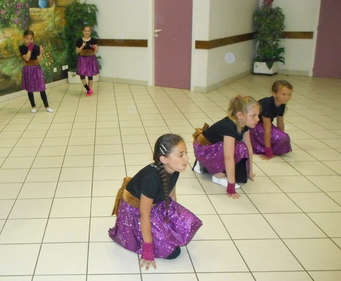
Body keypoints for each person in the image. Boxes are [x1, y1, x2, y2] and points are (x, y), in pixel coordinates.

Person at [109, 134, 203, 270]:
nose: (187, 159)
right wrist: (147, 248)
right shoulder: (151, 179)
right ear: (164, 159)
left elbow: (171, 194)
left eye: (186, 153)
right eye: (181, 155)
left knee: (187, 225)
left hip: (155, 204)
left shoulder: (174, 169)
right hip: (135, 212)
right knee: (173, 252)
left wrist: (172, 218)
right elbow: (143, 215)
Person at [192, 95, 260, 199]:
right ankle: (217, 175)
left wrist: (250, 172)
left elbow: (249, 148)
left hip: (213, 147)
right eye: (253, 115)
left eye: (257, 115)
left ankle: (206, 165)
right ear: (240, 115)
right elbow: (228, 157)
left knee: (242, 147)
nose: (257, 119)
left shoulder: (244, 124)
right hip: (203, 150)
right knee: (238, 149)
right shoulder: (229, 127)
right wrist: (231, 186)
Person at [250, 80, 293, 159]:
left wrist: (281, 137)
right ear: (274, 93)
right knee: (272, 134)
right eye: (283, 94)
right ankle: (262, 146)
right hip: (254, 126)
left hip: (263, 124)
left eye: (289, 94)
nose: (287, 97)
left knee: (284, 137)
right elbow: (267, 129)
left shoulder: (281, 104)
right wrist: (268, 150)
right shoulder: (267, 104)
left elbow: (280, 122)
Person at [19, 29, 54, 113]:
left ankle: (47, 106)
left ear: (33, 39)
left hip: (36, 68)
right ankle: (33, 106)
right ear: (24, 38)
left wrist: (41, 52)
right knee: (30, 89)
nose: (29, 40)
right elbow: (27, 58)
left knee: (41, 87)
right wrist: (30, 49)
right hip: (28, 68)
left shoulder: (36, 47)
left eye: (31, 39)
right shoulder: (22, 48)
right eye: (27, 38)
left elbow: (38, 60)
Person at [75, 24, 99, 96]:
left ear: (90, 32)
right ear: (83, 31)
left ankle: (89, 90)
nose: (87, 32)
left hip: (91, 59)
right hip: (82, 59)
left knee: (90, 75)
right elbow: (77, 51)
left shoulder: (93, 40)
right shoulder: (79, 41)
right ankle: (87, 88)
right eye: (85, 31)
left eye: (88, 31)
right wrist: (82, 46)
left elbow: (96, 51)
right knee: (82, 75)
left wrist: (94, 48)